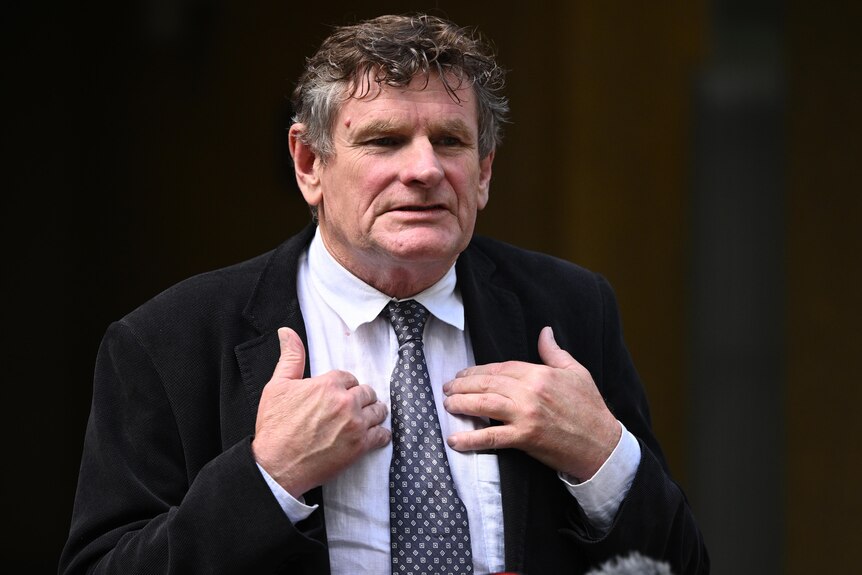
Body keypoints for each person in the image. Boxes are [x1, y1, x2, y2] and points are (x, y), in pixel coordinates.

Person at [59, 13, 709, 575]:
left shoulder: (570, 310)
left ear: (483, 171)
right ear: (309, 164)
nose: (424, 169)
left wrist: (603, 457)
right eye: (384, 140)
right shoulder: (169, 340)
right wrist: (266, 479)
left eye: (450, 141)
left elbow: (679, 563)